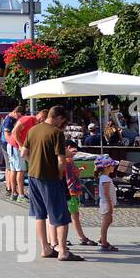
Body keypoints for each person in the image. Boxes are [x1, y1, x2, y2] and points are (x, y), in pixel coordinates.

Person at [21, 105, 83, 261]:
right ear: (59, 118)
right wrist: (59, 174)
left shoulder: (33, 130)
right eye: (63, 121)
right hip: (50, 178)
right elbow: (61, 160)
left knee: (39, 214)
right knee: (61, 215)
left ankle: (45, 249)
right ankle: (62, 251)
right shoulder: (56, 133)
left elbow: (23, 153)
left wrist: (34, 163)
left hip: (33, 177)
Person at [63, 141, 98, 248]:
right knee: (71, 216)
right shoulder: (66, 161)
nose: (75, 154)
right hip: (69, 192)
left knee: (74, 215)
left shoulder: (70, 161)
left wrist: (78, 170)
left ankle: (78, 237)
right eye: (73, 151)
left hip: (73, 192)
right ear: (67, 148)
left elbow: (72, 173)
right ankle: (73, 238)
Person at [12, 108, 47, 204]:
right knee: (21, 170)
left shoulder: (35, 124)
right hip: (16, 146)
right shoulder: (28, 119)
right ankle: (21, 195)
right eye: (43, 118)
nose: (42, 121)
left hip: (19, 146)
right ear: (40, 115)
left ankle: (15, 193)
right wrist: (20, 145)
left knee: (18, 169)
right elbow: (15, 132)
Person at [94, 155, 119, 251]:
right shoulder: (106, 179)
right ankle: (103, 242)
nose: (114, 167)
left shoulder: (105, 177)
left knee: (108, 221)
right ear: (107, 167)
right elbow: (106, 193)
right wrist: (110, 205)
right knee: (106, 222)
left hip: (106, 203)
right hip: (106, 203)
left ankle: (102, 238)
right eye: (112, 166)